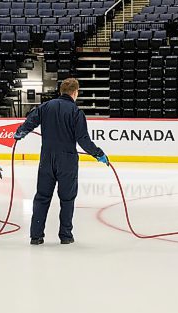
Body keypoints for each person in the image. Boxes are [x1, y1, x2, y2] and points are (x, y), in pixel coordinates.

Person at [14, 78, 109, 245]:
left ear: (61, 91)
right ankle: (65, 236)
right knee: (67, 199)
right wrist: (98, 154)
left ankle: (36, 236)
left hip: (47, 159)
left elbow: (30, 122)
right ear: (75, 92)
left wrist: (20, 132)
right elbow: (83, 140)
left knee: (42, 197)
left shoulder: (46, 107)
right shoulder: (76, 112)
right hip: (67, 161)